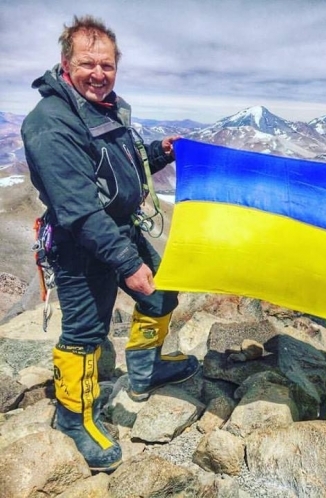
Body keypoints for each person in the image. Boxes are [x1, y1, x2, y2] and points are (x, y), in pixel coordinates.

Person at [20, 15, 199, 472]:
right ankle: (73, 420)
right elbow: (79, 209)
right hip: (81, 241)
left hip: (119, 228)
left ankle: (144, 371)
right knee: (85, 332)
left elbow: (119, 165)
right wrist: (127, 264)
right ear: (65, 65)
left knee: (161, 295)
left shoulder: (101, 107)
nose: (98, 74)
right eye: (88, 64)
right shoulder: (50, 123)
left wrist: (161, 151)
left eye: (107, 65)